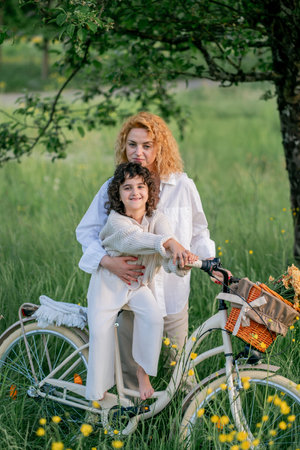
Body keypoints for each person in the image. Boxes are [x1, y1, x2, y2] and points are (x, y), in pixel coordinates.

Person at [76, 111, 216, 390]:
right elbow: (87, 232)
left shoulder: (182, 185)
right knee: (128, 369)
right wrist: (107, 262)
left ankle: (186, 425)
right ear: (123, 147)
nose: (138, 152)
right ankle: (128, 425)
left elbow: (199, 229)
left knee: (179, 367)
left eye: (147, 145)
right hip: (129, 289)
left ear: (159, 147)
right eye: (132, 145)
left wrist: (210, 261)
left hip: (174, 292)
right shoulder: (114, 186)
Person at [85, 162, 198, 401]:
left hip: (136, 286)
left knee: (153, 318)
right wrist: (168, 243)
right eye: (127, 188)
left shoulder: (157, 218)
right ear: (118, 195)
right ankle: (99, 395)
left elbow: (166, 248)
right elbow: (135, 241)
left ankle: (142, 371)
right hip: (108, 286)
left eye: (140, 186)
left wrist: (180, 260)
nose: (135, 192)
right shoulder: (116, 222)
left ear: (149, 191)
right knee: (101, 333)